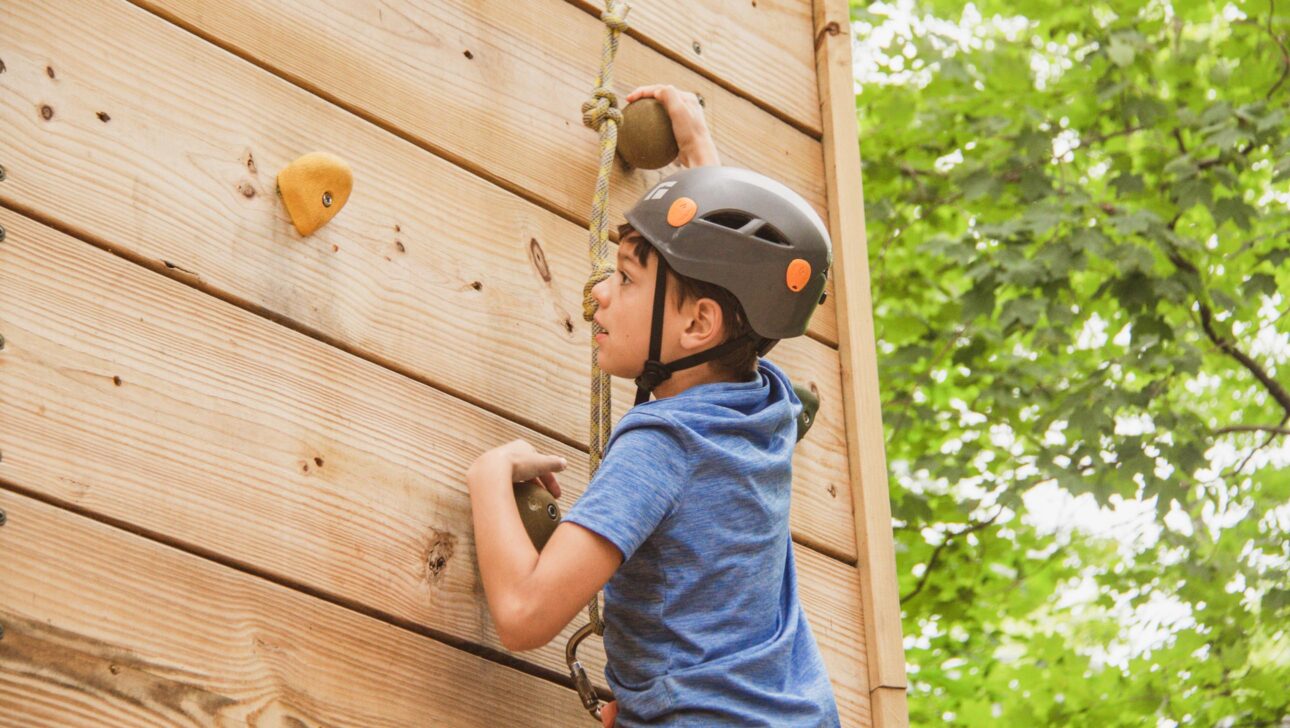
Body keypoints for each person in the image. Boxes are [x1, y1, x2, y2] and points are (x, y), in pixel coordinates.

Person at [466, 84, 839, 727]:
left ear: (699, 325)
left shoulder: (662, 447)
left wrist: (488, 476)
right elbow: (737, 288)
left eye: (628, 277)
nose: (600, 294)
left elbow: (525, 615)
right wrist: (694, 146)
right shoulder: (765, 409)